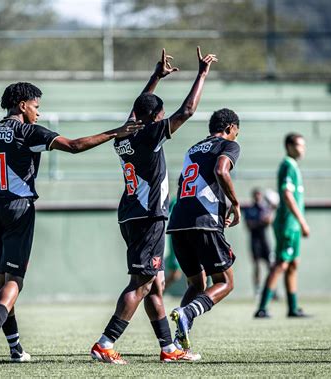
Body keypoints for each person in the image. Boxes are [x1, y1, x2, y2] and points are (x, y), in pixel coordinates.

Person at [0, 82, 142, 365]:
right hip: (18, 209)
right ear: (23, 105)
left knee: (1, 281)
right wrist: (115, 132)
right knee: (15, 282)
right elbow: (73, 146)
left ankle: (15, 349)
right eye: (36, 106)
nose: (39, 112)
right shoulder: (28, 132)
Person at [90, 47, 217, 364]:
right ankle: (105, 342)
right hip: (150, 215)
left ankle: (169, 348)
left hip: (130, 214)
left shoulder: (125, 134)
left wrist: (155, 77)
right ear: (156, 117)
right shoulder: (149, 133)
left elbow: (136, 111)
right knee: (142, 282)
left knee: (154, 285)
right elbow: (186, 111)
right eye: (160, 115)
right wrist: (201, 74)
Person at [167, 108, 241, 351]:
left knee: (197, 284)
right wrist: (235, 203)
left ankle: (178, 342)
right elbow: (221, 170)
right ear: (230, 128)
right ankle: (187, 313)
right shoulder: (227, 145)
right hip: (204, 221)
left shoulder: (194, 148)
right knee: (226, 281)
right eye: (236, 132)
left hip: (178, 222)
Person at [254, 133, 310, 318]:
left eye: (303, 145)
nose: (303, 149)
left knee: (293, 263)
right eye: (299, 145)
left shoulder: (293, 166)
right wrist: (302, 221)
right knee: (281, 264)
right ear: (288, 146)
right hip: (288, 224)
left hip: (292, 225)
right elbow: (287, 195)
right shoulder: (287, 165)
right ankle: (262, 308)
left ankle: (293, 308)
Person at [244, 188, 276, 296]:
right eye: (256, 195)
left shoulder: (265, 208)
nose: (258, 197)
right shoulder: (249, 209)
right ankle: (257, 290)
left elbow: (269, 221)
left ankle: (272, 290)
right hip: (254, 241)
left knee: (271, 265)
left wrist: (271, 211)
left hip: (264, 241)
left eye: (259, 195)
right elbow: (249, 225)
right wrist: (261, 221)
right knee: (256, 265)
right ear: (253, 196)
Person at [164, 197, 183, 292]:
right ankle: (155, 294)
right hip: (178, 239)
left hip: (193, 238)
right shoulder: (175, 201)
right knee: (175, 274)